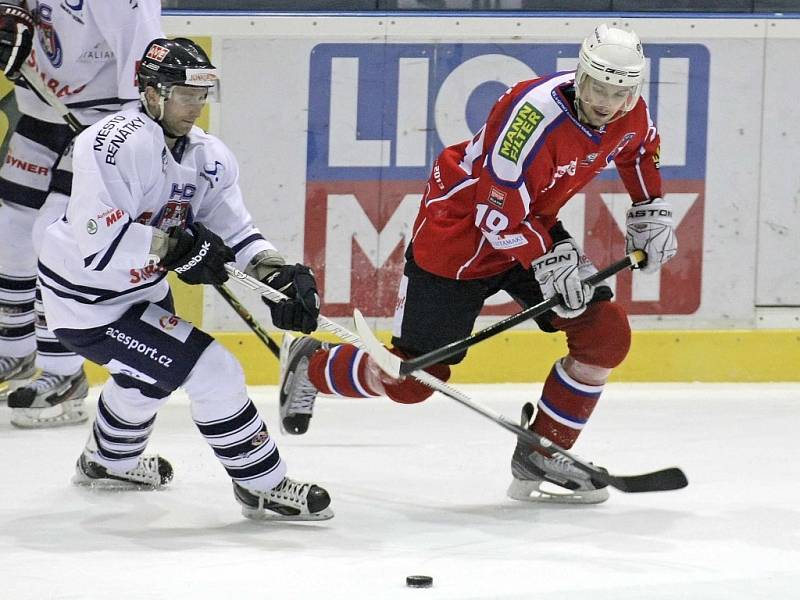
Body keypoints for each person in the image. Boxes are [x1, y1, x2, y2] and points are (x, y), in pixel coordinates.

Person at [276, 24, 677, 504]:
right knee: (412, 383)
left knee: (604, 333)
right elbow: (493, 214)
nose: (608, 103)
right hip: (459, 237)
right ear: (580, 75)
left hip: (531, 225)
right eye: (598, 88)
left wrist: (649, 209)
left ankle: (545, 452)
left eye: (620, 92)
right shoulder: (532, 116)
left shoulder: (628, 108)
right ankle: (313, 364)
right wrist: (547, 263)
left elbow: (637, 152)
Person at [36, 37, 332, 521]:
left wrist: (277, 273)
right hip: (88, 303)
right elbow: (99, 240)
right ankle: (262, 485)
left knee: (145, 379)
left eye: (202, 94)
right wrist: (177, 249)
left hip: (142, 291)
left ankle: (108, 463)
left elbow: (236, 230)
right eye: (184, 94)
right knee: (215, 370)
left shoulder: (207, 155)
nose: (196, 106)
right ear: (152, 93)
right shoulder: (112, 144)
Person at [0, 0, 163, 428]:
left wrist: (129, 140)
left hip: (105, 118)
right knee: (9, 227)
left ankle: (64, 372)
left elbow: (146, 68)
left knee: (52, 235)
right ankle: (14, 350)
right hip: (42, 101)